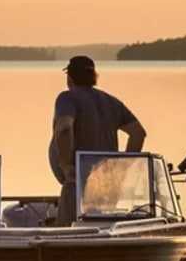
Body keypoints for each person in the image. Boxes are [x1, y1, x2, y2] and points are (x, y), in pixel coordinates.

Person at [49, 56, 146, 225]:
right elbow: (138, 133)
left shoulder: (67, 98)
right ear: (93, 76)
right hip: (108, 185)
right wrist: (123, 168)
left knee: (65, 231)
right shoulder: (111, 101)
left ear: (69, 77)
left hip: (78, 183)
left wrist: (66, 166)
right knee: (101, 226)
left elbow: (65, 128)